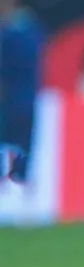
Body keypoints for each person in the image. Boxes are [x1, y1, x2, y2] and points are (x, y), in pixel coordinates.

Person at [0, 0, 44, 184]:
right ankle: (17, 181)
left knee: (13, 143)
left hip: (13, 99)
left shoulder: (13, 34)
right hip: (26, 98)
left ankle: (14, 182)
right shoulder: (33, 30)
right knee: (21, 144)